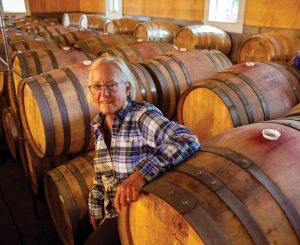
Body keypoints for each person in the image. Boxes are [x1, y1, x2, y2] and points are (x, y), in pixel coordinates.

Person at [84, 56, 200, 244]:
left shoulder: (141, 116)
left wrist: (141, 174)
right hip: (110, 210)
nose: (103, 93)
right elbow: (101, 175)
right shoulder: (99, 124)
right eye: (97, 86)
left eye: (111, 85)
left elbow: (187, 139)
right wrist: (95, 208)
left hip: (136, 213)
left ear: (127, 88)